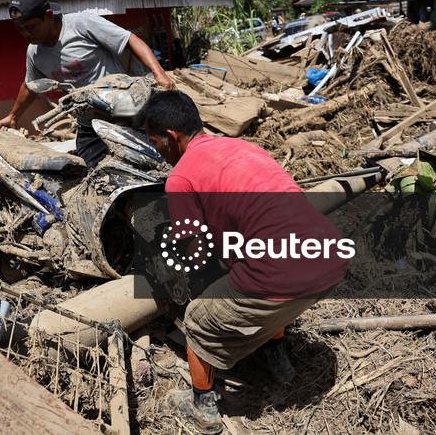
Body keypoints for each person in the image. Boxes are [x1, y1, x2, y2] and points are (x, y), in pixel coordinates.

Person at [138, 91, 349, 434]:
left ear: (172, 137)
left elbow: (194, 250)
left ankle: (202, 408)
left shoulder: (181, 178)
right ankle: (278, 360)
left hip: (279, 271)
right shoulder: (243, 147)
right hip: (328, 257)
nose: (157, 152)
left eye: (155, 143)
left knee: (197, 319)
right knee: (269, 287)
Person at [0, 0, 174, 167]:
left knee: (151, 159)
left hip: (123, 106)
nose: (26, 34)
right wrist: (13, 117)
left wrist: (159, 74)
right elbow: (30, 85)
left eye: (31, 27)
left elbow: (130, 39)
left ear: (49, 16)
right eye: (20, 29)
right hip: (88, 119)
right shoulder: (34, 52)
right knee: (92, 169)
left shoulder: (82, 24)